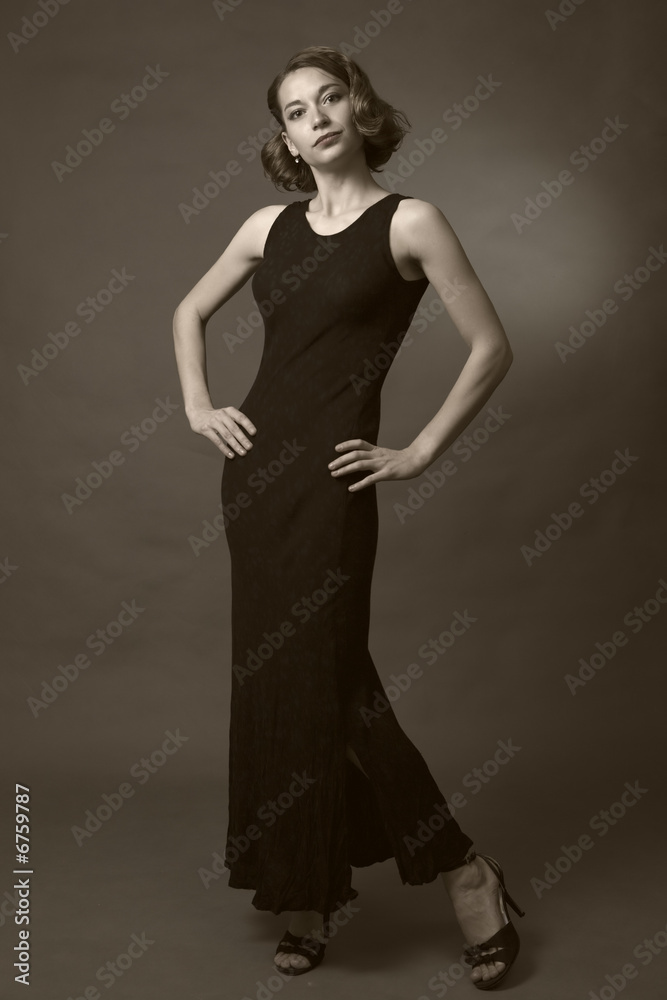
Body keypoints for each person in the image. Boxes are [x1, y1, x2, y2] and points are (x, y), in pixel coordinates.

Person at [172, 45, 523, 991]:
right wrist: (200, 406)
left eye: (331, 98)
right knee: (277, 682)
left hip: (332, 486)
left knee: (329, 684)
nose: (316, 117)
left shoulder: (411, 221)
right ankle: (307, 891)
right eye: (295, 110)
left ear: (361, 111)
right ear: (284, 138)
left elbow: (490, 346)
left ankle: (463, 870)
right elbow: (186, 312)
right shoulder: (266, 227)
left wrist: (419, 452)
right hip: (255, 484)